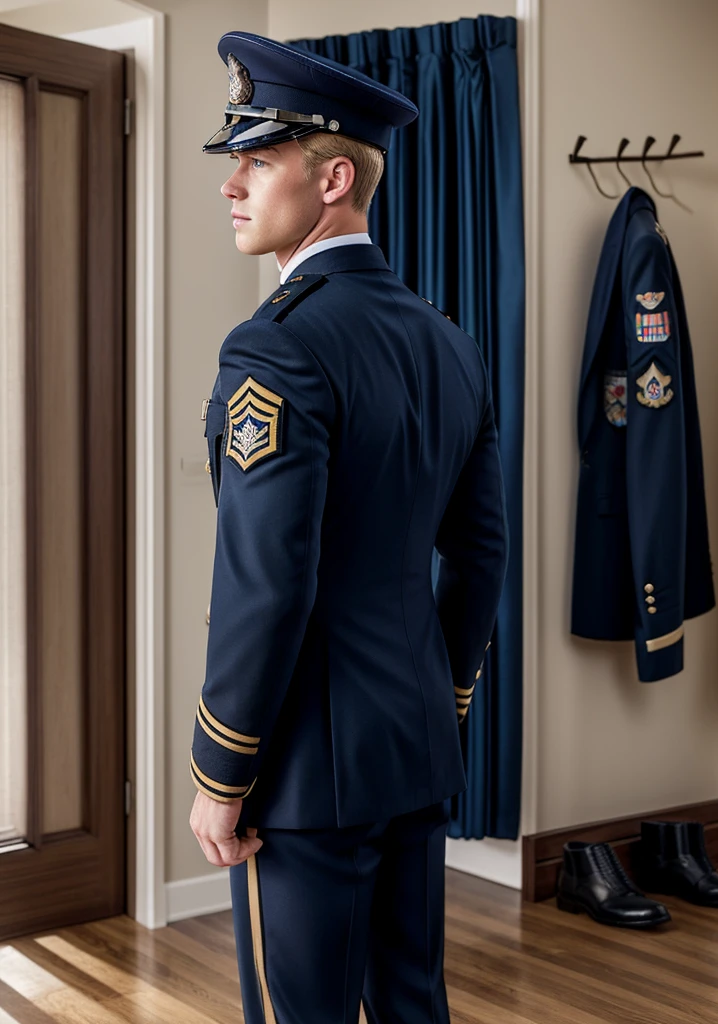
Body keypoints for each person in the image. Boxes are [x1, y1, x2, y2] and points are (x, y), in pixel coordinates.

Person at [188, 31, 508, 1024]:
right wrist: (441, 695)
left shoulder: (274, 348)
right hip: (412, 744)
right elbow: (479, 551)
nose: (233, 183)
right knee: (413, 1005)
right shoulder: (448, 342)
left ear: (334, 176)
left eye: (258, 157)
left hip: (302, 770)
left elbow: (267, 582)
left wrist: (222, 770)